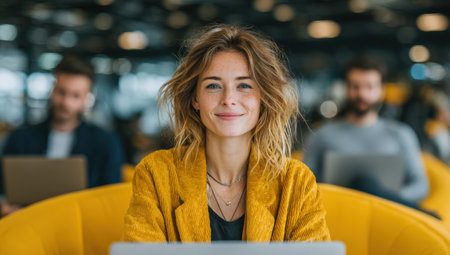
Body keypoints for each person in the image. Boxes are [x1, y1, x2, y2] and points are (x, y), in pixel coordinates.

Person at [123, 24, 330, 242]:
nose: (228, 99)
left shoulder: (295, 181)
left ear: (263, 98)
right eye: (213, 86)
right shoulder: (156, 174)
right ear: (195, 99)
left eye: (244, 86)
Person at [1, 54, 124, 216]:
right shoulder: (19, 139)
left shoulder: (106, 144)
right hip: (28, 223)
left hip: (80, 229)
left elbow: (111, 200)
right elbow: (3, 190)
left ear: (86, 98)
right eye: (61, 92)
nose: (66, 102)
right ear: (52, 89)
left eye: (75, 96)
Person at [303, 55, 430, 210]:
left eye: (369, 87)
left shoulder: (401, 134)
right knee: (363, 184)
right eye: (355, 86)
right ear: (346, 88)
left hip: (388, 214)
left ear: (381, 91)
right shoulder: (322, 134)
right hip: (339, 212)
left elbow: (420, 186)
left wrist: (381, 199)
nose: (362, 94)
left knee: (366, 185)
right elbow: (304, 185)